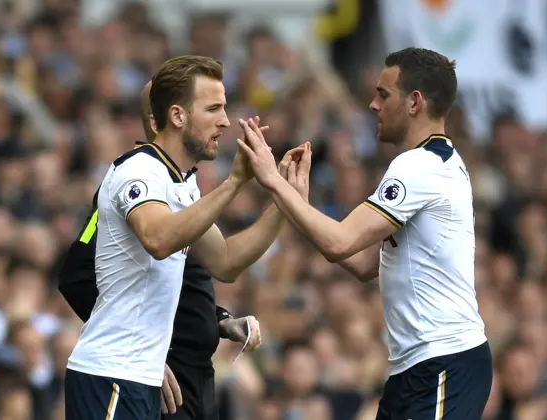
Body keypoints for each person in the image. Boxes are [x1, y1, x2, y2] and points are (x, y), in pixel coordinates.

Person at [237, 47, 493, 420]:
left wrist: (273, 181)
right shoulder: (436, 162)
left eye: (383, 94)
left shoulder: (419, 167)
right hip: (417, 366)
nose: (373, 105)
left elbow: (339, 241)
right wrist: (299, 202)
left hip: (443, 362)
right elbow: (361, 262)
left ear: (414, 102)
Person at [63, 56, 308, 420]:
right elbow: (158, 239)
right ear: (177, 116)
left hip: (143, 378)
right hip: (112, 373)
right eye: (214, 109)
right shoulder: (139, 170)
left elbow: (226, 261)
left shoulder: (180, 186)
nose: (225, 121)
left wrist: (284, 199)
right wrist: (234, 183)